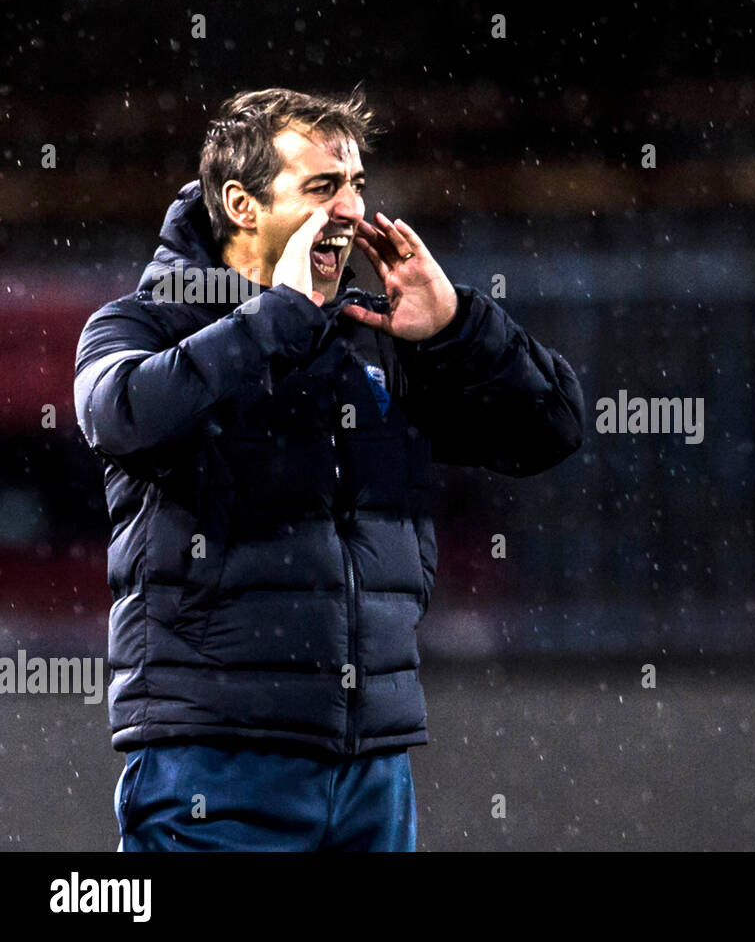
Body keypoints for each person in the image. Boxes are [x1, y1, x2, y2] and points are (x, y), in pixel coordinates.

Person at [72, 87, 584, 851]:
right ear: (243, 204)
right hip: (216, 763)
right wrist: (278, 315)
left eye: (356, 185)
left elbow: (551, 430)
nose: (351, 209)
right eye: (323, 187)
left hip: (373, 770)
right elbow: (124, 416)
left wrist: (457, 329)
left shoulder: (370, 339)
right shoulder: (145, 322)